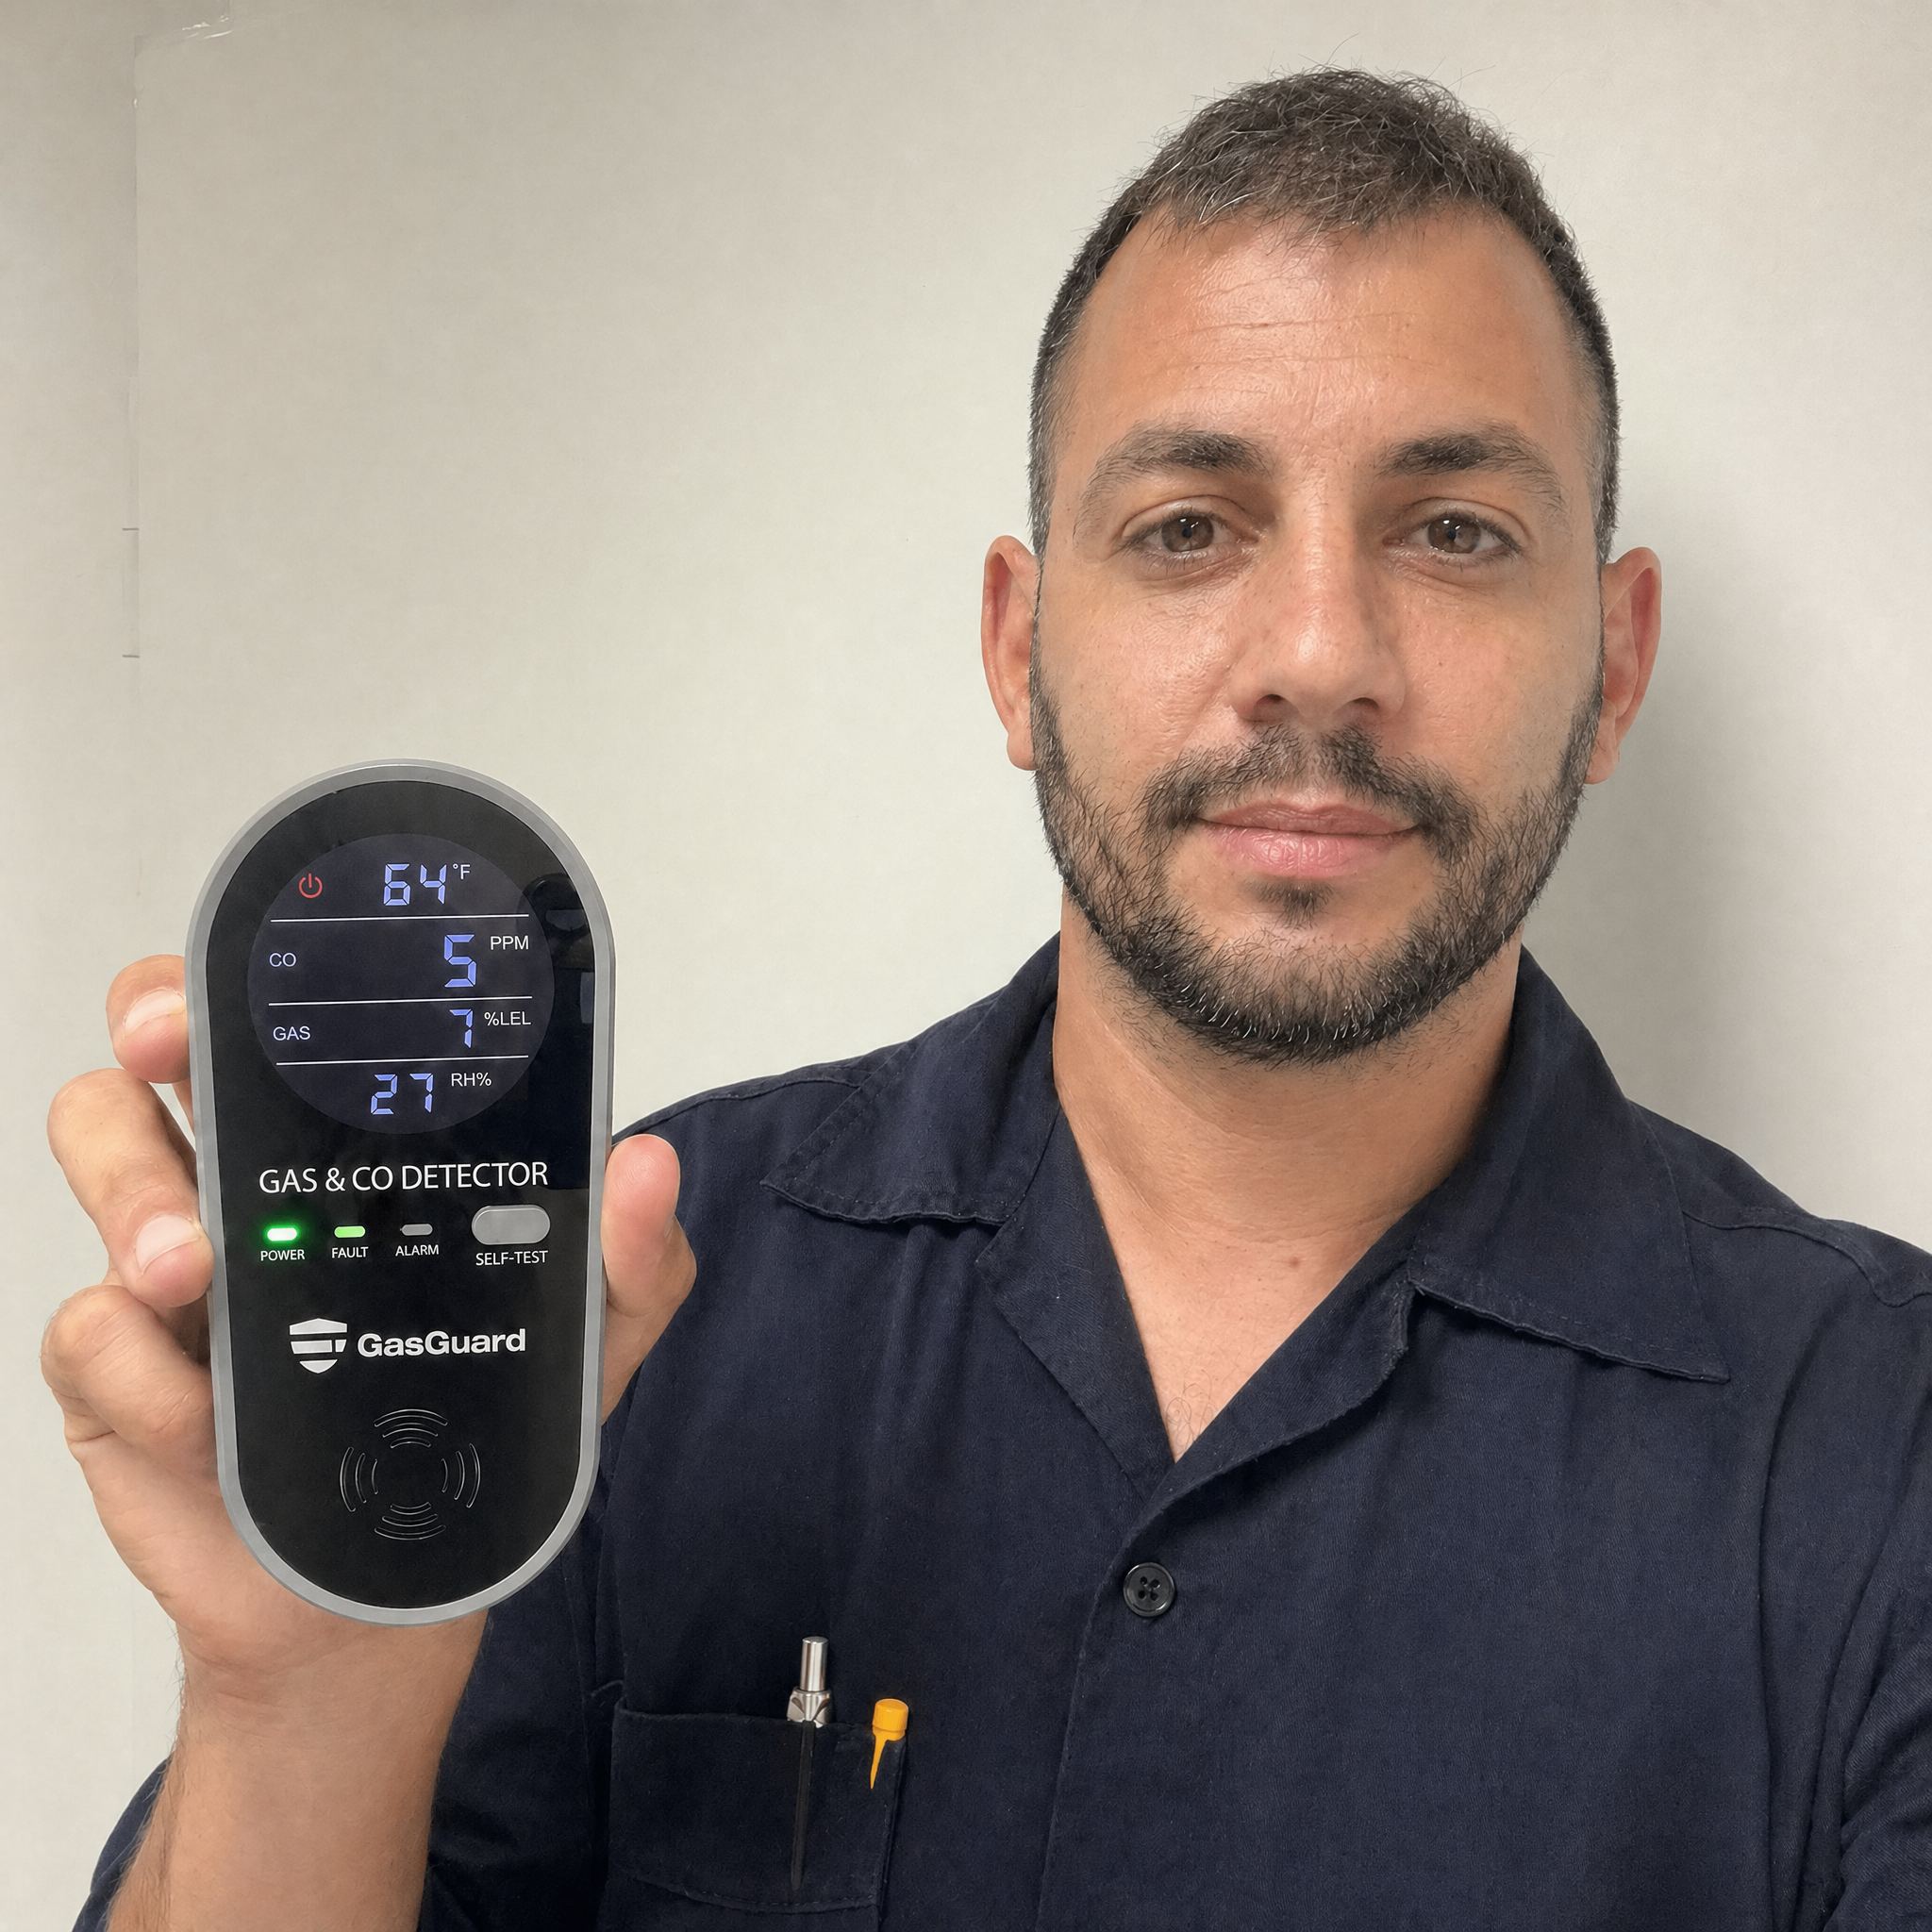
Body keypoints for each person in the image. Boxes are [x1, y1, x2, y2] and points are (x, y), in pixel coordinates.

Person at [43, 68, 1932, 1930]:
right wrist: (298, 1698)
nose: (1317, 653)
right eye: (1189, 525)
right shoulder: (610, 1316)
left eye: (1452, 531)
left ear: (1612, 666)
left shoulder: (1886, 1432)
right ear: (1020, 652)